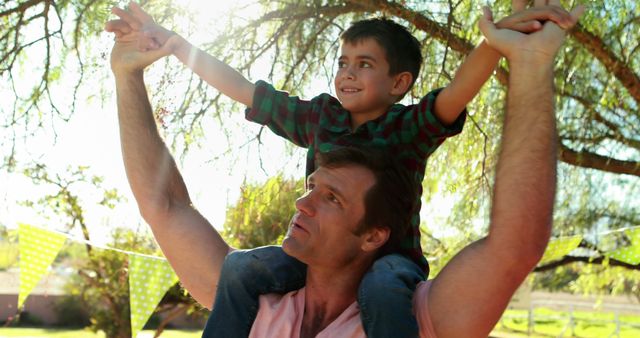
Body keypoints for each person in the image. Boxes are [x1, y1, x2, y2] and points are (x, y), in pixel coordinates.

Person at [106, 0, 583, 335]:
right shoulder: (320, 118)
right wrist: (176, 43)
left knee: (380, 289)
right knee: (240, 267)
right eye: (343, 62)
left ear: (399, 83)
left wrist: (502, 45)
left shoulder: (407, 128)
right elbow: (243, 89)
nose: (348, 73)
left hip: (391, 262)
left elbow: (458, 91)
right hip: (313, 260)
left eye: (364, 64)